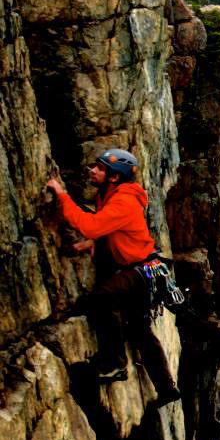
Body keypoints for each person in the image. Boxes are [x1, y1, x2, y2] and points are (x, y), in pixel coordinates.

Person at [47, 148, 180, 406]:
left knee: (103, 296)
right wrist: (91, 243)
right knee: (140, 330)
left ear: (114, 177)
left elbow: (91, 225)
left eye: (100, 168)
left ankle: (113, 363)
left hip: (142, 270)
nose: (92, 171)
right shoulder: (110, 195)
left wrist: (62, 196)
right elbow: (108, 228)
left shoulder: (124, 201)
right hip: (145, 269)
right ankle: (167, 388)